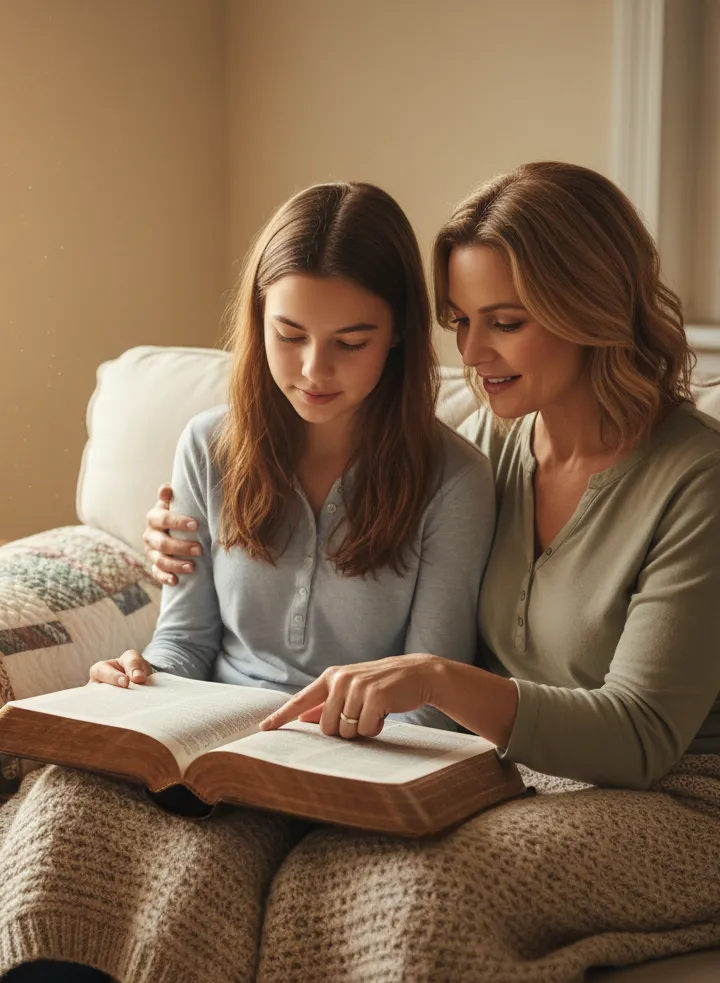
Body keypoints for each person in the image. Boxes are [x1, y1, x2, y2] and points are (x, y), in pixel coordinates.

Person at [0, 180, 496, 983]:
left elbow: (433, 713)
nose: (312, 370)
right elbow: (186, 643)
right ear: (257, 324)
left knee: (189, 912)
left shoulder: (455, 479)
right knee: (59, 842)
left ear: (400, 333)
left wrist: (310, 751)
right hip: (207, 746)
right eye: (288, 335)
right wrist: (141, 676)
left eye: (350, 341)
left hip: (345, 771)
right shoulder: (208, 445)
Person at [146, 160, 720, 789]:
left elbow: (643, 739)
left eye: (505, 323)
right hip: (507, 772)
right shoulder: (490, 446)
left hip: (669, 789)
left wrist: (436, 679)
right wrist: (176, 537)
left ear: (593, 307)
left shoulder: (697, 481)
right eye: (460, 322)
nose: (472, 355)